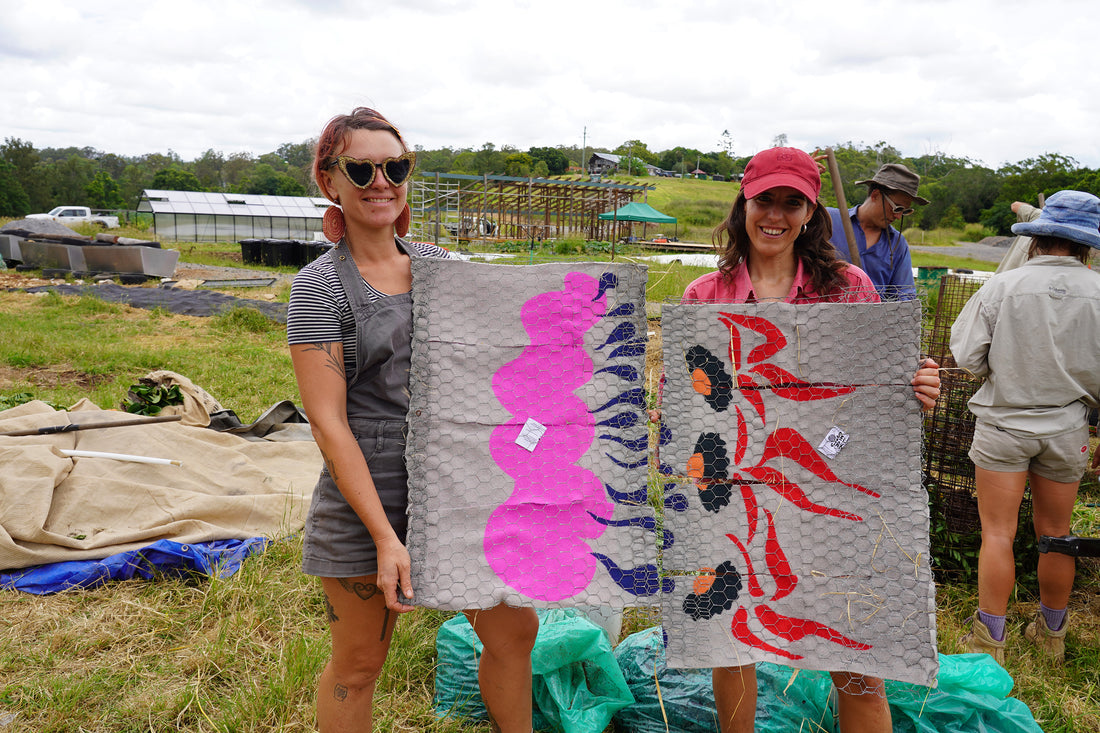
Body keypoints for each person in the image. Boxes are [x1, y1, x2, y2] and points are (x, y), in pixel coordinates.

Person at [286, 107, 538, 732]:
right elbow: (328, 424)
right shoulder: (319, 287)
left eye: (395, 167)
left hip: (457, 486)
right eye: (361, 169)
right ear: (330, 181)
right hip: (368, 493)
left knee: (514, 632)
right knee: (359, 663)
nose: (381, 182)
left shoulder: (444, 269)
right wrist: (384, 538)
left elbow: (512, 348)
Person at [675, 147, 941, 732]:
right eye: (764, 200)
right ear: (743, 205)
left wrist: (914, 386)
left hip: (830, 493)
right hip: (737, 496)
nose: (775, 215)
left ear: (810, 213)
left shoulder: (847, 288)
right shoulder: (705, 296)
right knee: (733, 642)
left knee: (853, 654)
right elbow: (686, 406)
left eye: (791, 203)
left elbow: (876, 392)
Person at [950, 189, 1100, 665]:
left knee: (998, 533)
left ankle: (988, 642)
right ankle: (1052, 636)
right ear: (1087, 245)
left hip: (1003, 425)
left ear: (1036, 237)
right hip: (1068, 429)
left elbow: (967, 356)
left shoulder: (1002, 287)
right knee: (1057, 534)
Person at [826, 163, 930, 301]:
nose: (898, 216)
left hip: (874, 314)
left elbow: (904, 296)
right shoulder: (828, 220)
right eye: (897, 208)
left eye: (905, 211)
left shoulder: (897, 244)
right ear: (875, 195)